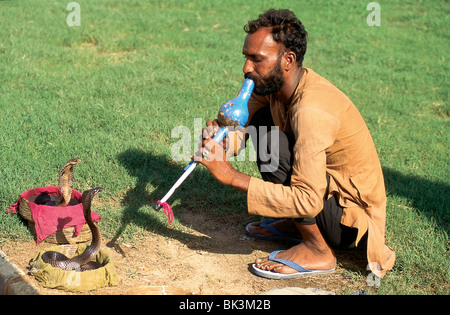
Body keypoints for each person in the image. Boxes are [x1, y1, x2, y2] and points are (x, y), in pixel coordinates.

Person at [197, 8, 395, 279]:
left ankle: (318, 250)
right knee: (265, 127)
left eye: (257, 59)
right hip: (324, 199)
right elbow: (241, 128)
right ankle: (295, 226)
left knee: (273, 147)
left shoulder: (311, 110)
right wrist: (221, 144)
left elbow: (308, 199)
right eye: (246, 57)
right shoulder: (272, 86)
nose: (246, 68)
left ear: (288, 59)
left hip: (349, 224)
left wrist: (230, 175)